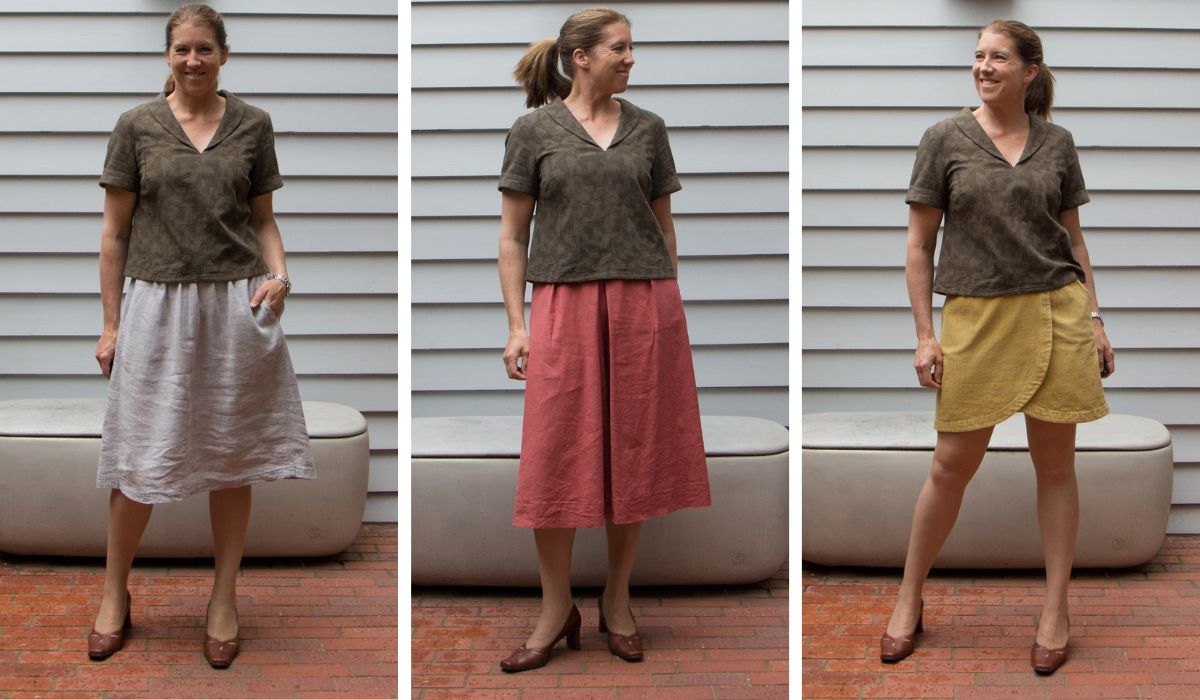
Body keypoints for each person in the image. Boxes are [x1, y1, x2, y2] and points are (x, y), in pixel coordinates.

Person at [881, 20, 1114, 675]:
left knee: (1057, 466)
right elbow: (918, 247)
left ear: (1028, 72)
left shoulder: (1058, 144)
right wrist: (926, 333)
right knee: (951, 465)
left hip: (1056, 311)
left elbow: (1073, 242)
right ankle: (908, 598)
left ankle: (1056, 609)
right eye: (978, 56)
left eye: (998, 57)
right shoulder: (944, 140)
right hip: (976, 318)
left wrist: (1095, 318)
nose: (984, 66)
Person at [87, 4, 314, 669]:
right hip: (154, 304)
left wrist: (281, 275)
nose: (193, 60)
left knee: (231, 451)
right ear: (167, 55)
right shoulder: (137, 127)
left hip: (233, 303)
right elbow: (114, 234)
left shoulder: (253, 125)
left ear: (223, 54)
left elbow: (264, 220)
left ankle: (223, 598)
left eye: (204, 49)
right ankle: (113, 592)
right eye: (182, 49)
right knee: (139, 456)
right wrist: (110, 325)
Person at [495, 7, 712, 673]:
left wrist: (667, 298)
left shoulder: (649, 129)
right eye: (619, 48)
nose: (630, 59)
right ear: (579, 56)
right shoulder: (534, 131)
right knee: (556, 456)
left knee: (635, 454)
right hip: (562, 301)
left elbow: (663, 224)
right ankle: (555, 606)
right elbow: (511, 236)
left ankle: (617, 600)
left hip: (645, 305)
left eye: (630, 48)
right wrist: (516, 323)